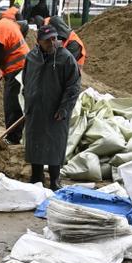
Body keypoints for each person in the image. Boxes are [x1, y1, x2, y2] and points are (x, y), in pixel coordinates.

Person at [22, 24, 81, 190]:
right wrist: (28, 101)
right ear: (39, 41)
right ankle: (36, 177)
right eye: (48, 40)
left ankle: (55, 179)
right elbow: (26, 80)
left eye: (55, 38)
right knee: (35, 142)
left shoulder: (66, 58)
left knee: (55, 144)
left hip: (56, 110)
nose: (52, 42)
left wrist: (64, 109)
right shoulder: (31, 57)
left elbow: (73, 87)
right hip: (35, 109)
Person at [0, 15, 30, 144]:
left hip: (17, 69)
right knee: (17, 102)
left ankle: (13, 138)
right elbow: (24, 26)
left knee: (12, 104)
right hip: (25, 65)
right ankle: (16, 135)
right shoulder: (4, 23)